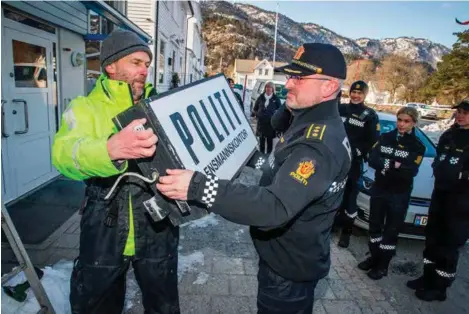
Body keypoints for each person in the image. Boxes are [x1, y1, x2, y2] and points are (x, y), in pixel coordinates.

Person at [156, 43, 351, 313]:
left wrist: (198, 187)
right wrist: (247, 156)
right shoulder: (307, 122)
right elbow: (279, 163)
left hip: (288, 275)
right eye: (290, 76)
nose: (288, 84)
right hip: (282, 259)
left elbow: (273, 206)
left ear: (329, 87)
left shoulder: (318, 145)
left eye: (298, 78)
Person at [52, 29, 179, 314]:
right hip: (105, 223)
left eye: (147, 64)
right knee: (98, 306)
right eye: (136, 63)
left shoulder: (158, 106)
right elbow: (63, 155)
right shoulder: (84, 108)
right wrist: (109, 149)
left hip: (157, 223)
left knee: (164, 306)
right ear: (111, 65)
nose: (144, 70)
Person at [407, 99, 469, 301]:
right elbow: (438, 159)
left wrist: (460, 177)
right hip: (440, 195)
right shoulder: (449, 135)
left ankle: (440, 288)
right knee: (432, 239)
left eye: (465, 112)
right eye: (458, 111)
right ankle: (427, 278)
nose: (460, 115)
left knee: (448, 245)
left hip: (461, 202)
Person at [357, 107, 425, 280]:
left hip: (399, 194)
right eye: (400, 120)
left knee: (391, 231)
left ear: (414, 123)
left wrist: (386, 164)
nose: (402, 124)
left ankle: (383, 266)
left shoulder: (417, 146)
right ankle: (373, 258)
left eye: (406, 121)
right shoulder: (386, 138)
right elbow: (372, 159)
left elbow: (409, 171)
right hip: (380, 189)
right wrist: (392, 164)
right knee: (374, 226)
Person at [336, 81, 380, 248]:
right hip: (335, 160)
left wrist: (359, 152)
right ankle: (330, 225)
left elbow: (373, 141)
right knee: (332, 192)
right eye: (353, 92)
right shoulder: (340, 108)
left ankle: (346, 233)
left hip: (353, 163)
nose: (355, 95)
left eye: (359, 93)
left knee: (350, 198)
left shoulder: (369, 115)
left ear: (364, 95)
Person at [252, 81, 282, 154]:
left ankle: (268, 155)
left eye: (270, 87)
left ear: (273, 89)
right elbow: (255, 108)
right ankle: (261, 154)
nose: (268, 89)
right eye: (267, 87)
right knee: (261, 140)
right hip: (261, 123)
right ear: (265, 88)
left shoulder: (276, 99)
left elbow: (280, 110)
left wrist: (276, 118)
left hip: (270, 123)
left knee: (269, 140)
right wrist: (256, 115)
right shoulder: (261, 97)